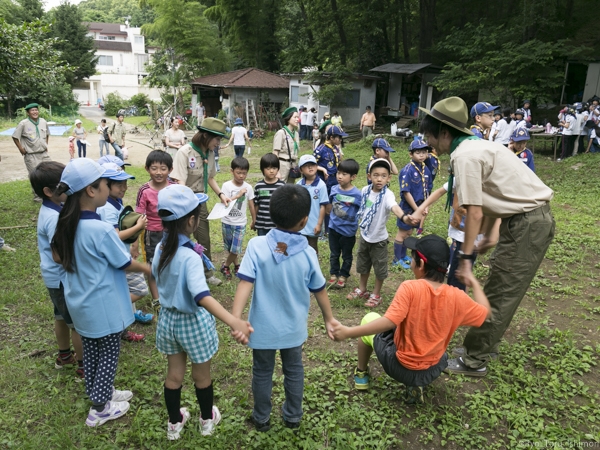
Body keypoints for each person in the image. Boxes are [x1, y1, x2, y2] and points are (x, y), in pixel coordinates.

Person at [414, 96, 555, 376]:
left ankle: (474, 359)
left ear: (444, 133)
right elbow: (493, 192)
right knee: (498, 285)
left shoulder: (465, 156)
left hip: (528, 223)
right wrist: (491, 232)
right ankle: (480, 344)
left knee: (502, 290)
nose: (428, 142)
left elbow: (474, 212)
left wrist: (465, 259)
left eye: (429, 135)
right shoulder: (474, 147)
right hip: (521, 220)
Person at [51, 158, 152, 427]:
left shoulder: (66, 223)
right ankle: (100, 408)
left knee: (93, 351)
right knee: (109, 352)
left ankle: (100, 392)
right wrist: (148, 268)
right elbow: (124, 263)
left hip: (81, 304)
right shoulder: (100, 229)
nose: (110, 188)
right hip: (103, 306)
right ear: (91, 190)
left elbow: (57, 256)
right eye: (107, 183)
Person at [331, 235, 491, 403]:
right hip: (433, 369)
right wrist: (473, 281)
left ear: (420, 265)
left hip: (400, 367)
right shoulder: (457, 296)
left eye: (413, 258)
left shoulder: (410, 288)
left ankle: (361, 373)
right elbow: (485, 313)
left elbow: (390, 321)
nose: (411, 263)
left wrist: (349, 332)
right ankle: (416, 386)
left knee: (369, 318)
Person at [231, 184, 337, 432]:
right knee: (294, 370)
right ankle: (292, 416)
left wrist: (236, 318)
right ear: (303, 221)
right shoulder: (308, 253)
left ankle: (261, 418)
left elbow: (245, 282)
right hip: (293, 329)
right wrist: (329, 318)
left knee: (262, 372)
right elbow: (319, 289)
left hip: (261, 329)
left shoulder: (257, 246)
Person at [152, 185, 251, 440]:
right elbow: (201, 295)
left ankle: (174, 423)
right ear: (192, 221)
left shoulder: (160, 249)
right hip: (192, 322)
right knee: (201, 375)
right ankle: (207, 419)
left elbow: (154, 276)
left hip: (169, 321)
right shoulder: (189, 257)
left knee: (174, 375)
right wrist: (233, 320)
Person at [30, 161, 84, 379]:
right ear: (48, 191)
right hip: (62, 279)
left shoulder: (53, 208)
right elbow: (60, 254)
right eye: (64, 186)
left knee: (61, 317)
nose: (69, 190)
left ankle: (64, 356)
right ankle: (83, 366)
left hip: (53, 278)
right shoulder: (53, 218)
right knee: (78, 325)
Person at [170, 118, 232, 286]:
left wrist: (221, 194)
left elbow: (210, 177)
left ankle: (207, 273)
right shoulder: (185, 152)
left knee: (203, 238)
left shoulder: (210, 153)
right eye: (217, 139)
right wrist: (188, 204)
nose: (218, 143)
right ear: (205, 136)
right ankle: (181, 272)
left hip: (200, 200)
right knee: (182, 237)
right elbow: (180, 182)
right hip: (184, 200)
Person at [96, 163, 153, 336]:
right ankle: (112, 311)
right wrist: (138, 227)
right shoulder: (106, 208)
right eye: (119, 184)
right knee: (140, 289)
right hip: (117, 257)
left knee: (122, 287)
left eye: (125, 184)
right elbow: (114, 236)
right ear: (106, 185)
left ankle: (121, 320)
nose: (124, 188)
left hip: (122, 254)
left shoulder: (115, 202)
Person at [346, 159, 411, 307]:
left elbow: (394, 206)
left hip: (379, 240)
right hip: (365, 236)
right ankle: (362, 289)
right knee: (363, 264)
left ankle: (376, 294)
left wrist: (404, 217)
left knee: (379, 268)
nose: (379, 179)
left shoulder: (388, 195)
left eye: (383, 175)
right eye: (376, 175)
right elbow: (363, 208)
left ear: (389, 178)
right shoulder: (365, 191)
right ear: (369, 176)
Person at [134, 150, 176, 304]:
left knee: (172, 261)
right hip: (151, 233)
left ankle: (170, 293)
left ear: (170, 170)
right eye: (154, 168)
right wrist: (134, 244)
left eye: (163, 169)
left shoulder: (174, 187)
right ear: (147, 169)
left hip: (172, 232)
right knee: (153, 265)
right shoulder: (144, 191)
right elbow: (139, 215)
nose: (159, 172)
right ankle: (157, 300)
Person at [392, 140, 433, 269]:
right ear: (411, 154)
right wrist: (418, 209)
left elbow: (428, 189)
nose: (422, 155)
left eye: (424, 152)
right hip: (408, 207)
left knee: (409, 232)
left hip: (419, 206)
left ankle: (403, 256)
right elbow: (405, 192)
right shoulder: (407, 170)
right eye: (418, 152)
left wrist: (426, 205)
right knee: (402, 232)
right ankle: (396, 259)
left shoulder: (425, 169)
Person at [219, 157, 256, 280]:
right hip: (227, 221)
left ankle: (225, 266)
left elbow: (251, 204)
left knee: (235, 249)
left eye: (244, 173)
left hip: (240, 223)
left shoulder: (249, 187)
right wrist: (238, 195)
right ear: (231, 171)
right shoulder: (226, 186)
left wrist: (254, 219)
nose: (241, 176)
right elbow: (225, 202)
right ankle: (237, 265)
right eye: (238, 173)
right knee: (230, 248)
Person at [327, 159, 361, 290]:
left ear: (353, 177)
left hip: (348, 231)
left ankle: (344, 275)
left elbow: (364, 208)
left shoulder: (357, 194)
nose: (339, 176)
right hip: (333, 227)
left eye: (344, 174)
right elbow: (330, 204)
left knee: (346, 255)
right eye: (338, 173)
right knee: (334, 253)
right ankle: (334, 273)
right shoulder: (334, 189)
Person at [12, 103, 51, 202]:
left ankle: (49, 192)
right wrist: (21, 148)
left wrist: (46, 144)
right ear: (28, 113)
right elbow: (15, 136)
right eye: (32, 110)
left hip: (43, 153)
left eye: (36, 110)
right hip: (31, 155)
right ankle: (38, 196)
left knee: (49, 172)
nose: (35, 112)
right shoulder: (23, 123)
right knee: (35, 175)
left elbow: (47, 134)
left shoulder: (43, 121)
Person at [314, 125, 347, 238]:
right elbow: (312, 164)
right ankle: (323, 231)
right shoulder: (321, 149)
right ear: (332, 137)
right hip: (324, 181)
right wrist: (322, 169)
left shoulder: (335, 149)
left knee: (332, 204)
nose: (340, 140)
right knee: (324, 205)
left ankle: (329, 229)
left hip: (335, 180)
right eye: (339, 137)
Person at [296, 155, 328, 254]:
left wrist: (319, 224)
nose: (310, 167)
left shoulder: (321, 185)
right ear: (301, 170)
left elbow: (323, 206)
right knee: (300, 248)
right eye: (306, 166)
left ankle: (313, 268)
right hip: (300, 225)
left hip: (313, 225)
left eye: (312, 165)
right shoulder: (299, 185)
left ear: (316, 166)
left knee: (312, 248)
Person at [252, 154, 285, 237]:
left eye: (274, 168)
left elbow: (285, 205)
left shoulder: (282, 186)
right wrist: (254, 220)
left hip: (278, 225)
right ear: (262, 169)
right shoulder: (258, 186)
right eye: (268, 168)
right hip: (262, 224)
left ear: (278, 169)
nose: (271, 171)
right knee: (263, 246)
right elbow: (256, 205)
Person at [272, 107, 300, 183]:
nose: (297, 119)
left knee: (290, 188)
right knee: (281, 186)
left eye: (298, 117)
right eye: (295, 117)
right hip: (283, 164)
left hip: (293, 164)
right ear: (288, 118)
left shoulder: (296, 134)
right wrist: (277, 170)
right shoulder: (281, 133)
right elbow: (275, 153)